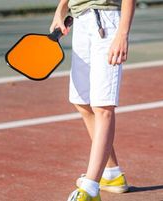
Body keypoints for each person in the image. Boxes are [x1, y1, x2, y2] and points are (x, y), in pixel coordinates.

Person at [50, 0, 135, 200]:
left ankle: (90, 188)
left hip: (106, 22)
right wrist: (61, 9)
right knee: (81, 101)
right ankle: (112, 173)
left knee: (103, 107)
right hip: (80, 19)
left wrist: (122, 34)